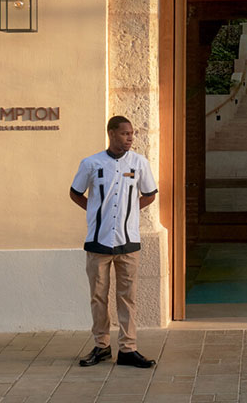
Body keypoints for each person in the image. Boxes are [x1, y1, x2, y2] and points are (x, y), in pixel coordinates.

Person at [69, 114, 159, 368]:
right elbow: (75, 193)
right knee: (99, 297)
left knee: (127, 297)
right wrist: (94, 212)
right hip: (98, 241)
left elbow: (150, 194)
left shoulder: (140, 163)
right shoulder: (91, 163)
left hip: (128, 243)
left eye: (132, 134)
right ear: (111, 134)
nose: (130, 138)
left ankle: (128, 349)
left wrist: (128, 215)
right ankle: (101, 346)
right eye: (125, 133)